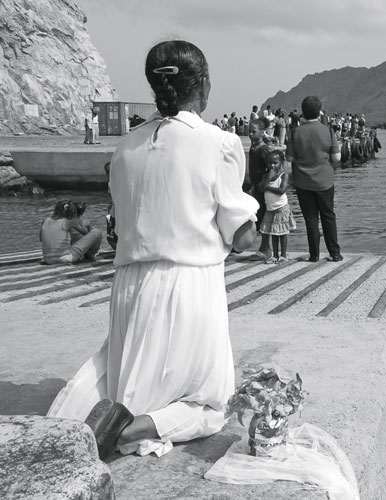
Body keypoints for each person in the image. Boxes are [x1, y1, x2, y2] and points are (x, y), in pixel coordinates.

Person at [46, 40, 259, 460]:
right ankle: (136, 426)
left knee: (126, 378)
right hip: (189, 284)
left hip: (130, 287)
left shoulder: (125, 146)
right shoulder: (219, 143)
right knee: (212, 403)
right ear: (204, 86)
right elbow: (243, 239)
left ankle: (112, 412)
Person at [286, 95, 343, 262]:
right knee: (328, 216)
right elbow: (337, 157)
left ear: (303, 112)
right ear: (319, 111)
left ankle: (314, 254)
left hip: (303, 182)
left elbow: (289, 158)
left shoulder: (295, 132)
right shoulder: (328, 130)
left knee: (310, 218)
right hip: (325, 181)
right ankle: (335, 253)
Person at [259, 149, 296, 263]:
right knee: (274, 232)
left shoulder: (283, 176)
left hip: (281, 208)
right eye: (270, 163)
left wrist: (267, 187)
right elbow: (261, 188)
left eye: (275, 163)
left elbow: (281, 190)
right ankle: (275, 255)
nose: (272, 165)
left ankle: (283, 255)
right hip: (270, 209)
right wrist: (268, 178)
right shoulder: (266, 176)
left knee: (282, 233)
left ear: (281, 163)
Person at [39, 200, 103, 264]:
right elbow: (87, 234)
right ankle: (91, 255)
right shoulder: (68, 221)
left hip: (48, 259)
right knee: (97, 232)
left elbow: (41, 239)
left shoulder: (45, 221)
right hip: (65, 258)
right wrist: (86, 225)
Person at [246, 117, 272, 259]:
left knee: (263, 218)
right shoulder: (253, 147)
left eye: (253, 132)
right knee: (255, 217)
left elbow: (272, 168)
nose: (250, 134)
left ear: (262, 133)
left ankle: (265, 249)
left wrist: (263, 184)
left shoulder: (264, 149)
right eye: (249, 131)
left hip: (262, 189)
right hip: (255, 188)